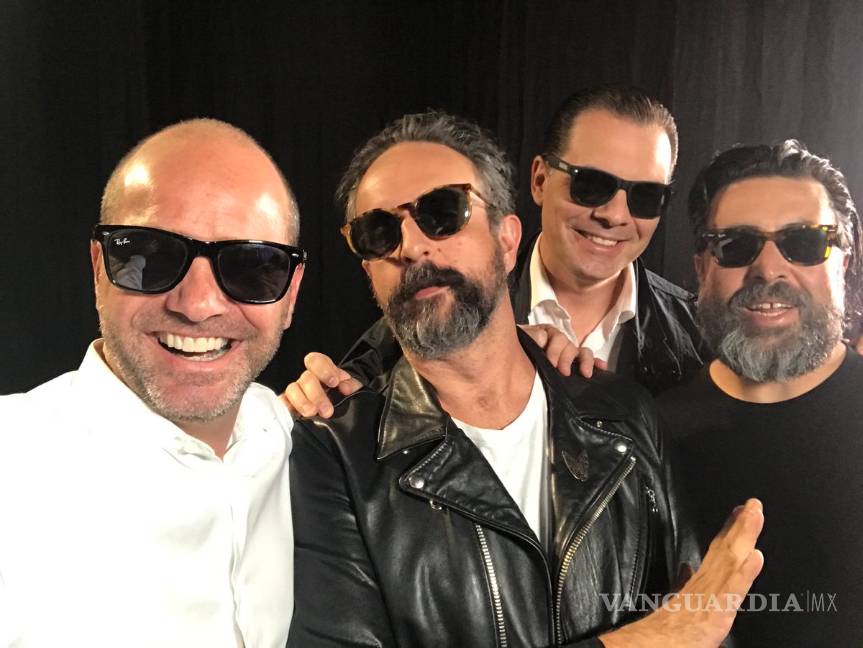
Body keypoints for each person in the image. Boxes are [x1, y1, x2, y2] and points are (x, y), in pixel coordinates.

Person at [289, 111, 763, 647]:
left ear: (507, 239)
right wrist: (654, 638)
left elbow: (705, 628)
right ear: (367, 267)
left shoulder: (628, 415)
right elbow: (684, 631)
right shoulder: (328, 452)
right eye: (378, 232)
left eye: (443, 213)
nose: (412, 246)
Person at [0, 119, 306, 648]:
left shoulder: (299, 436)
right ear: (100, 269)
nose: (198, 305)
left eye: (251, 266)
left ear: (291, 295)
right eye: (151, 256)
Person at [285, 85, 707, 419]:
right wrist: (316, 400)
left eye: (646, 196)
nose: (614, 215)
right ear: (539, 180)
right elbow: (359, 387)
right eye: (590, 185)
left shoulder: (698, 339)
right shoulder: (440, 299)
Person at [659, 140, 863, 645]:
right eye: (736, 244)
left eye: (804, 242)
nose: (769, 269)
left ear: (843, 262)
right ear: (702, 267)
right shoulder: (647, 435)